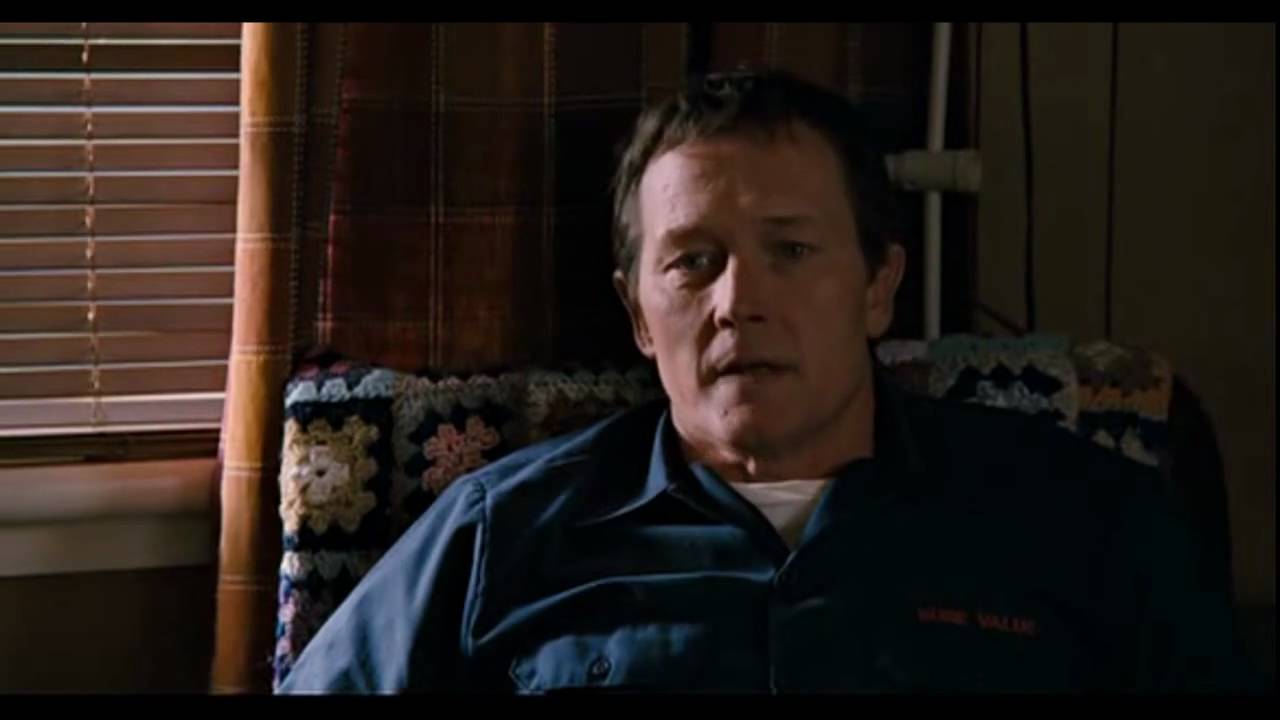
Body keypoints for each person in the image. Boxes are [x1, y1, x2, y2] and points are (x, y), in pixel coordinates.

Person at [277, 70, 1260, 693]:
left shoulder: (1085, 520)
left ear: (877, 287)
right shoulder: (499, 535)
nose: (737, 302)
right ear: (637, 315)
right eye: (692, 262)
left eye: (790, 250)